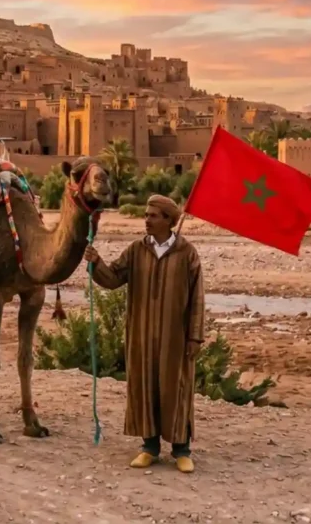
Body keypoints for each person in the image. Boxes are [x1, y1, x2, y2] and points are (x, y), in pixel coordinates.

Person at [83, 194, 205, 473]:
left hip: (176, 336)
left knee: (177, 388)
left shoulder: (187, 253)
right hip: (141, 333)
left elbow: (197, 297)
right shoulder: (136, 250)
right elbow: (112, 278)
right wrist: (96, 262)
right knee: (145, 386)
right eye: (146, 214)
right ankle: (149, 447)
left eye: (152, 215)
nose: (146, 220)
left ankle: (181, 449)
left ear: (168, 220)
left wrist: (195, 336)